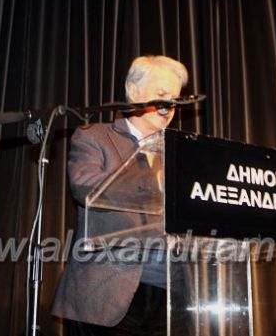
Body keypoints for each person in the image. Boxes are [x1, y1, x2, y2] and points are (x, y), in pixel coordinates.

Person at [52, 55, 188, 335]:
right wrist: (152, 182)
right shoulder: (95, 136)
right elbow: (84, 185)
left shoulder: (181, 153)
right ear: (134, 92)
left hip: (170, 296)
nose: (169, 106)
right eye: (161, 95)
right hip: (107, 293)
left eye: (174, 99)